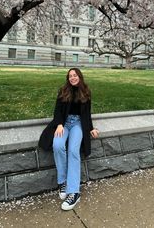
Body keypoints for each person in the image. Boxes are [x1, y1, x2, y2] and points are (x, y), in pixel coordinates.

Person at [49, 68, 98, 211]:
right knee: (57, 145)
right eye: (70, 76)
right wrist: (59, 124)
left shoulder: (86, 92)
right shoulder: (63, 90)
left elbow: (87, 114)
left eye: (75, 75)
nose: (72, 78)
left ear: (79, 77)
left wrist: (91, 128)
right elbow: (57, 110)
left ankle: (74, 192)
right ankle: (63, 181)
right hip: (64, 123)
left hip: (78, 124)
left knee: (73, 151)